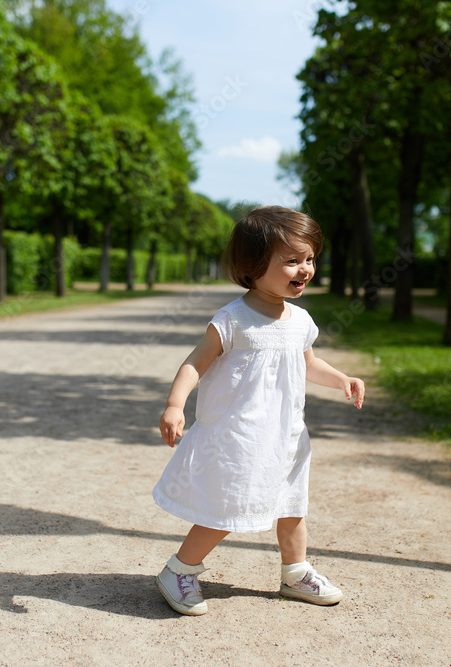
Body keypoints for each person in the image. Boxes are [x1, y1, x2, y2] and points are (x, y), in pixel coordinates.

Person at [152, 205, 366, 616]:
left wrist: (342, 379)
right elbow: (195, 362)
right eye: (291, 261)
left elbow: (307, 364)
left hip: (285, 434)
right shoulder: (232, 320)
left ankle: (295, 572)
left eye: (309, 259)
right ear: (252, 265)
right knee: (229, 507)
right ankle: (179, 570)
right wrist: (175, 404)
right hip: (239, 436)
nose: (304, 268)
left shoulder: (300, 320)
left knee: (291, 505)